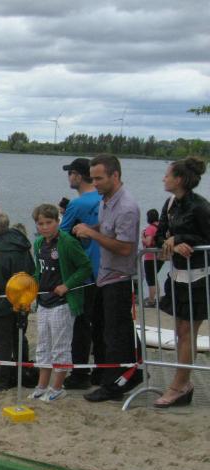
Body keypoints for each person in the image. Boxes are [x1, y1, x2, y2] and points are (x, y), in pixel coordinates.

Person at [73, 154, 142, 402]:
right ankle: (125, 374)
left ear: (115, 175)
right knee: (103, 328)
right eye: (92, 178)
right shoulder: (106, 200)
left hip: (120, 278)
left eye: (99, 178)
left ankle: (114, 385)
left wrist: (92, 234)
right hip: (104, 275)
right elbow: (106, 229)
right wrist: (91, 229)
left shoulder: (127, 207)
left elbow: (125, 247)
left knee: (115, 334)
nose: (95, 183)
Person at [153, 157, 209, 407]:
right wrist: (173, 244)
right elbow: (159, 237)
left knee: (187, 331)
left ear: (180, 179)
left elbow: (206, 238)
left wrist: (180, 238)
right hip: (177, 275)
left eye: (167, 175)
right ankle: (183, 384)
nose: (163, 178)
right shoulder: (170, 203)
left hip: (199, 277)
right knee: (179, 331)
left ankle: (179, 385)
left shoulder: (201, 207)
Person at [29, 204, 93, 402]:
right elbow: (39, 271)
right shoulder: (38, 243)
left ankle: (57, 387)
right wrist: (31, 287)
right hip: (44, 301)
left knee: (60, 345)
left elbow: (85, 267)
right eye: (40, 224)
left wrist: (67, 285)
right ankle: (42, 385)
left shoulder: (68, 242)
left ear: (57, 222)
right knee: (43, 345)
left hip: (63, 302)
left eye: (49, 222)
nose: (45, 227)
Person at [0, 207, 35, 391]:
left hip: (0, 304)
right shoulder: (21, 245)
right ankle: (21, 374)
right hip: (21, 300)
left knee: (0, 343)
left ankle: (0, 381)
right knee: (19, 338)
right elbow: (31, 270)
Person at [60, 158, 101, 389]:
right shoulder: (103, 199)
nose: (69, 177)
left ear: (77, 175)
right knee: (102, 323)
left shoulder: (77, 204)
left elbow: (60, 236)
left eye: (70, 173)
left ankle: (80, 373)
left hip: (84, 273)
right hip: (104, 269)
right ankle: (103, 370)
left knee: (81, 324)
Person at [142, 208, 163, 307]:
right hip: (160, 257)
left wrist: (142, 236)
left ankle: (151, 301)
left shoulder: (150, 228)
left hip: (150, 257)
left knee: (150, 279)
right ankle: (158, 298)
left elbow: (148, 242)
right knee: (154, 277)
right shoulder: (161, 227)